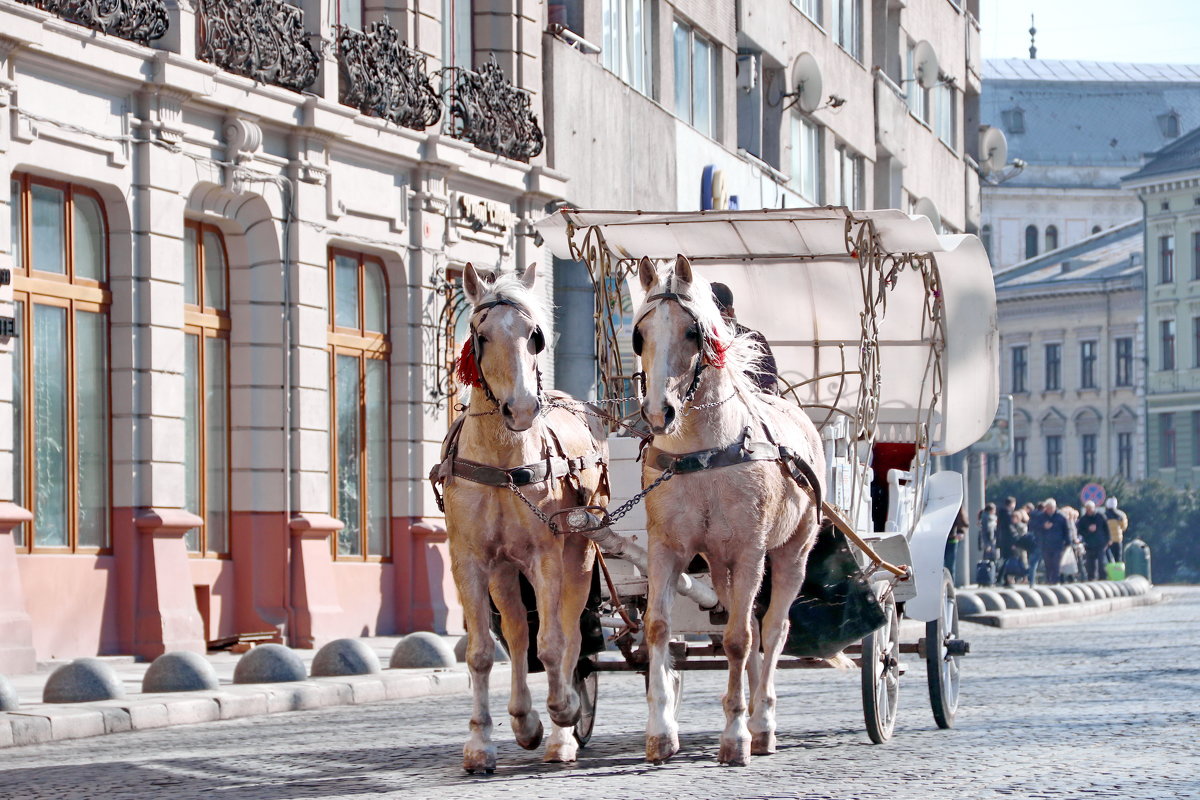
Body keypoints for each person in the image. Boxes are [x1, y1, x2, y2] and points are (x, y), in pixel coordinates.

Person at [710, 282, 779, 394]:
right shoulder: (699, 341)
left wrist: (763, 397)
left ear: (730, 312)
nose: (712, 320)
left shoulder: (754, 339)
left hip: (750, 401)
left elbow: (770, 380)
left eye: (717, 312)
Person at [1030, 498, 1072, 584]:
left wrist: (1068, 542)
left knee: (1056, 563)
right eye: (1048, 508)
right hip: (1045, 544)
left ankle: (1055, 580)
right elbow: (1033, 527)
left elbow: (1066, 530)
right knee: (1048, 563)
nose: (1050, 510)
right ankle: (1049, 579)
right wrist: (1043, 526)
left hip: (1058, 544)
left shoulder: (1061, 517)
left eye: (1051, 508)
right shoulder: (1041, 516)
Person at [1078, 500, 1110, 581]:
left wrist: (1108, 540)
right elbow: (1080, 531)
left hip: (1100, 543)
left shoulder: (1101, 516)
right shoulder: (1083, 519)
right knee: (1090, 564)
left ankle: (1103, 578)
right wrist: (1088, 530)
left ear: (1094, 508)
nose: (1089, 511)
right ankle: (1091, 578)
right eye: (1087, 509)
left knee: (1101, 562)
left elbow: (1107, 529)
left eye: (1090, 509)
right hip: (1089, 544)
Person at [1105, 497, 1129, 567]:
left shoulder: (1103, 515)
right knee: (1118, 558)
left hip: (1107, 540)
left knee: (1108, 559)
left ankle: (1110, 573)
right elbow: (1124, 527)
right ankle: (1119, 573)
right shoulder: (1121, 515)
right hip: (1118, 539)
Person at [947, 505, 969, 575]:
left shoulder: (956, 506)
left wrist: (961, 532)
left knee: (949, 565)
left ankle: (950, 584)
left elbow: (962, 521)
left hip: (951, 539)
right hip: (942, 538)